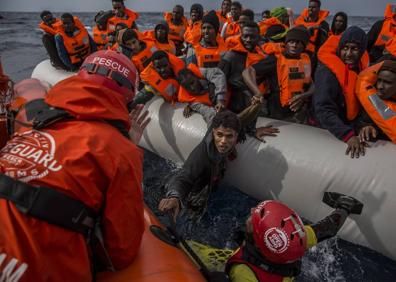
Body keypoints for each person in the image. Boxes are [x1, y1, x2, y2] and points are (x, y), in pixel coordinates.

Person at [0, 50, 148, 281]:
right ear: (128, 97)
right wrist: (128, 147)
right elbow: (121, 252)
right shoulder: (122, 153)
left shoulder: (34, 121)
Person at [226, 198, 359, 281]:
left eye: (252, 221)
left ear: (259, 242)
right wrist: (344, 207)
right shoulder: (294, 240)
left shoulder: (241, 272)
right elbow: (329, 228)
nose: (252, 210)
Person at [158, 110, 243, 220]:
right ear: (213, 132)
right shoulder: (201, 156)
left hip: (211, 179)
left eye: (229, 136)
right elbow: (185, 177)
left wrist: (254, 130)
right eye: (219, 135)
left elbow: (243, 119)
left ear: (236, 136)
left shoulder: (230, 133)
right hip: (193, 193)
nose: (223, 141)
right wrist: (175, 197)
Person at [313, 26, 369, 158]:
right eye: (345, 48)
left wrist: (365, 126)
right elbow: (323, 109)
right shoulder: (327, 73)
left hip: (348, 122)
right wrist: (348, 136)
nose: (348, 53)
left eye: (354, 49)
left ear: (361, 51)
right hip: (325, 127)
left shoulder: (360, 70)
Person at [243, 27, 313, 123]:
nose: (294, 45)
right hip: (277, 112)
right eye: (291, 42)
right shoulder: (275, 60)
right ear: (286, 43)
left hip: (299, 112)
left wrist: (304, 96)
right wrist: (257, 93)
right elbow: (248, 72)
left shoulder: (305, 61)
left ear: (304, 46)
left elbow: (312, 84)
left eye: (298, 42)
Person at [219, 21, 267, 115]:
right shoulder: (230, 57)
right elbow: (218, 81)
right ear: (241, 36)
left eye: (252, 37)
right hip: (236, 108)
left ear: (259, 38)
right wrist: (219, 102)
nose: (248, 40)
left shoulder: (263, 57)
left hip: (259, 106)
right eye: (245, 36)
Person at [355, 60, 396, 143]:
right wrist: (368, 127)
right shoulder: (371, 100)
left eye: (387, 82)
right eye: (379, 80)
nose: (380, 86)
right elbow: (356, 123)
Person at [295, 0, 329, 69]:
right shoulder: (300, 21)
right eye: (309, 7)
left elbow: (323, 43)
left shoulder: (323, 25)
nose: (311, 9)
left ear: (319, 9)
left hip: (313, 56)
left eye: (313, 7)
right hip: (298, 52)